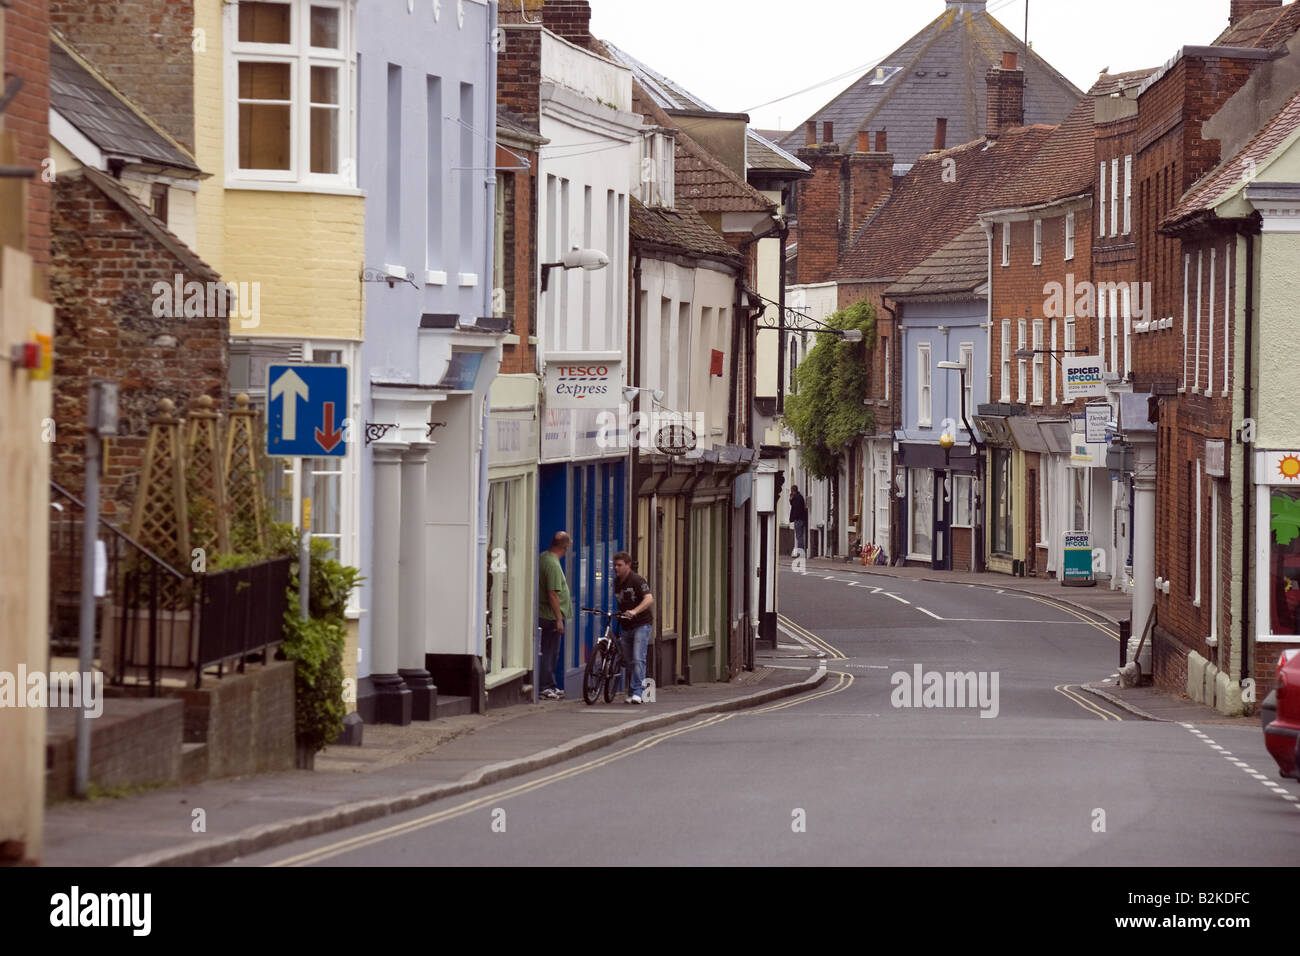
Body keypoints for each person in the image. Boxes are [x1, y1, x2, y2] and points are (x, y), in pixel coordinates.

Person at [613, 551, 654, 705]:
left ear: (628, 565)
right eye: (615, 565)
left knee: (638, 658)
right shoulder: (617, 582)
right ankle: (632, 691)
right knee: (629, 661)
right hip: (626, 625)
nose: (616, 568)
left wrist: (634, 611)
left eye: (619, 565)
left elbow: (649, 599)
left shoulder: (637, 580)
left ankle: (639, 692)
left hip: (641, 624)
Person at [538, 531, 572, 700]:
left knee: (549, 652)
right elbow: (552, 593)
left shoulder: (544, 557)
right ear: (564, 547)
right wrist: (559, 619)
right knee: (550, 652)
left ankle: (550, 684)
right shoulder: (552, 564)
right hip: (550, 616)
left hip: (546, 614)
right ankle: (546, 687)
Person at [789, 484, 808, 554]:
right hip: (802, 518)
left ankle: (801, 551)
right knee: (800, 536)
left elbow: (795, 508)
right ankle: (801, 550)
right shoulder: (800, 497)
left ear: (793, 491)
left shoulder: (796, 498)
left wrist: (791, 500)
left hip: (798, 519)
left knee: (799, 536)